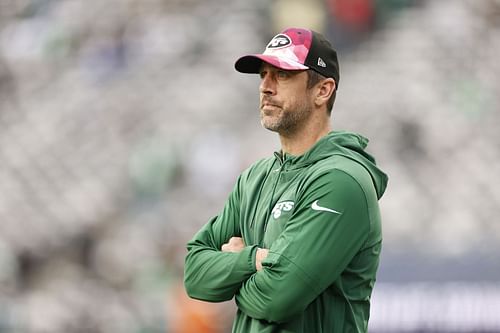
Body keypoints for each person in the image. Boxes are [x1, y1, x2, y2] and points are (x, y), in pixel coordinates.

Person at [184, 27, 388, 333]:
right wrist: (251, 261)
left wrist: (233, 273)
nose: (266, 86)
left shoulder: (341, 181)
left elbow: (276, 299)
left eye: (282, 75)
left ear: (323, 90)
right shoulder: (255, 177)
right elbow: (194, 275)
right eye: (263, 74)